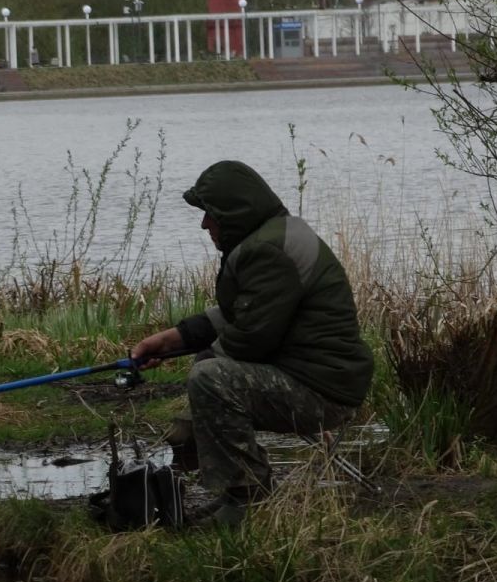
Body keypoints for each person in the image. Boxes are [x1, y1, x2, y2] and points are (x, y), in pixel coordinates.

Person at [131, 160, 374, 527]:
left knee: (210, 378)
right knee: (209, 371)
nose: (204, 224)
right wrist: (172, 340)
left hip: (322, 392)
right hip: (315, 377)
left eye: (210, 215)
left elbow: (249, 339)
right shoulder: (272, 236)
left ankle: (247, 501)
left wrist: (192, 420)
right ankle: (236, 494)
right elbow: (241, 313)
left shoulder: (269, 251)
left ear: (233, 213)